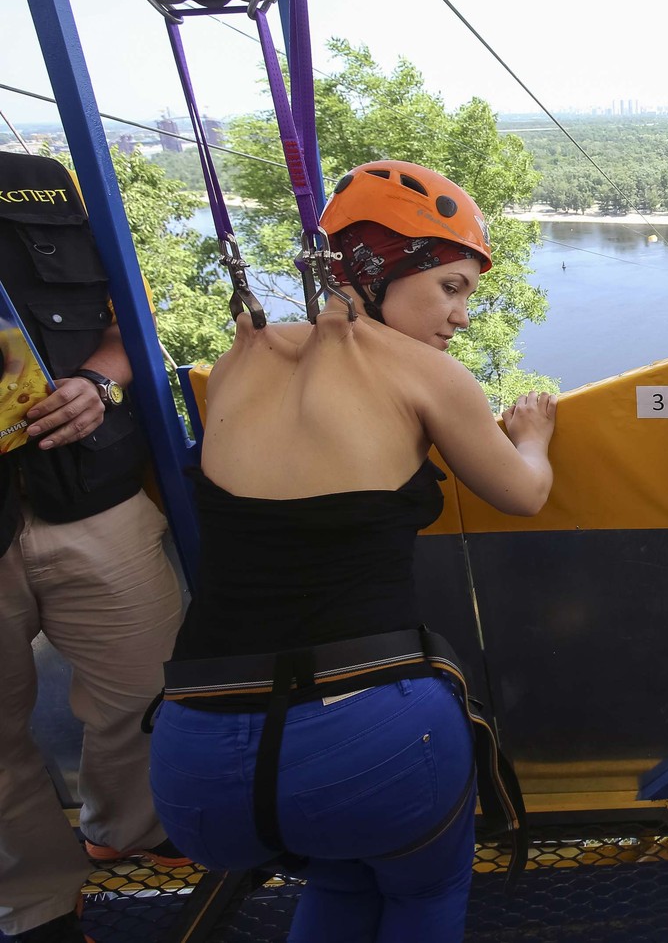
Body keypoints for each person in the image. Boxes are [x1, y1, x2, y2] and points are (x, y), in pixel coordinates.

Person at [147, 160, 557, 943]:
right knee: (418, 892)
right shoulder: (426, 374)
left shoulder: (241, 359)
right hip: (364, 740)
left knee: (339, 869)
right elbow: (524, 493)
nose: (462, 317)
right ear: (375, 270)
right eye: (450, 286)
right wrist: (532, 436)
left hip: (197, 757)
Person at [0, 151, 186, 943]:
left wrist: (102, 382)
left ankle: (128, 827)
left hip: (89, 490)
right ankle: (38, 902)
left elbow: (126, 311)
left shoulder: (38, 178)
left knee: (156, 686)